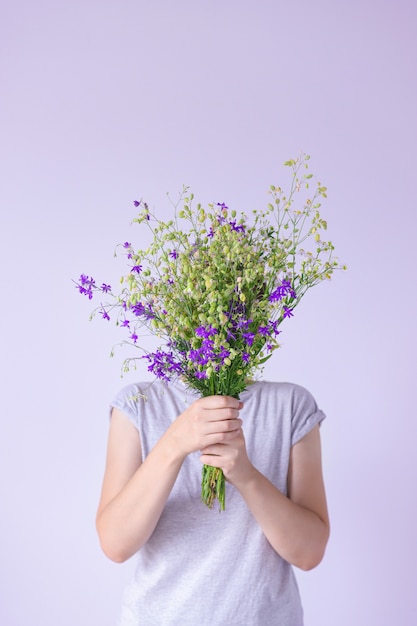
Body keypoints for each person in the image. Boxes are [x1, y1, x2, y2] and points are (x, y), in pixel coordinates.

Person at [96, 377, 330, 626]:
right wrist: (174, 443)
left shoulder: (290, 404)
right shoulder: (138, 403)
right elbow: (116, 545)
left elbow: (309, 554)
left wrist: (246, 476)